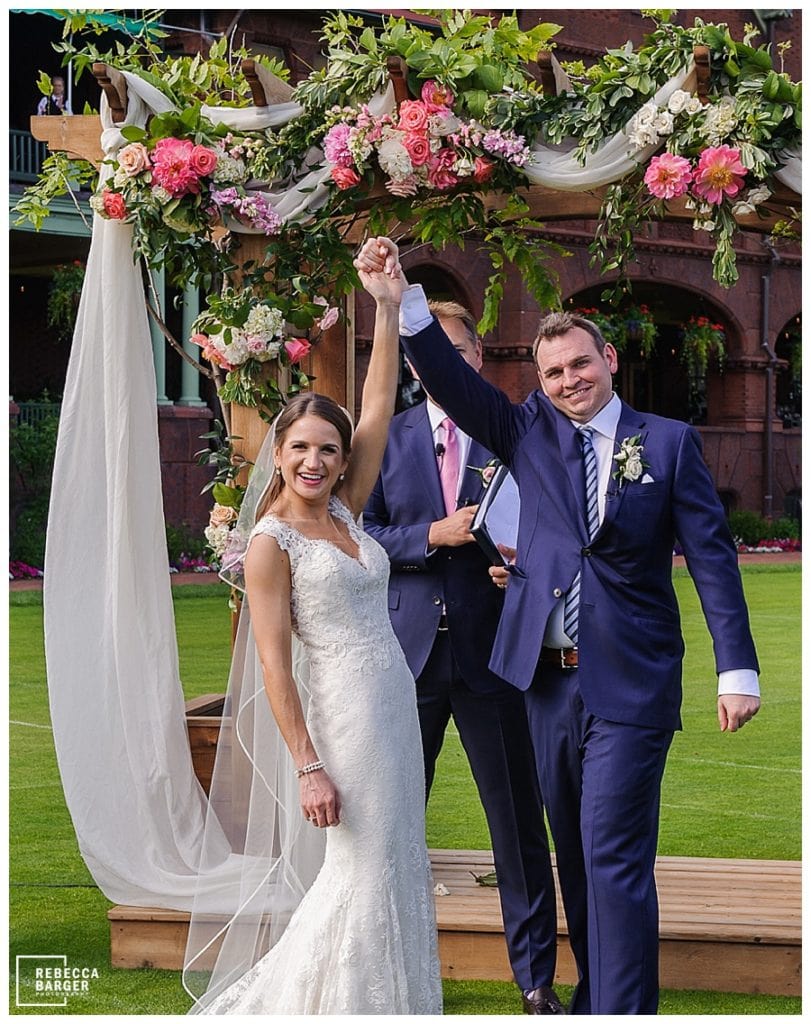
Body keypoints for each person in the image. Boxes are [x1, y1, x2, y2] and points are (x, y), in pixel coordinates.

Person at [355, 237, 760, 1015]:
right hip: (543, 683)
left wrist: (735, 670)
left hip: (630, 683)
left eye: (579, 364)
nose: (569, 380)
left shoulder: (668, 445)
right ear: (536, 383)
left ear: (606, 358)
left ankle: (620, 1010)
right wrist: (400, 300)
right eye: (552, 373)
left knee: (611, 853)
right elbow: (447, 377)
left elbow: (712, 561)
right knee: (572, 854)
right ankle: (592, 995)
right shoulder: (527, 432)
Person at [183, 251, 442, 1014]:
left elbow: (375, 403)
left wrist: (387, 310)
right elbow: (273, 666)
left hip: (393, 700)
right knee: (360, 867)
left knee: (396, 858)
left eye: (327, 449)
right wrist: (307, 766)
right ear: (280, 453)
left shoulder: (345, 513)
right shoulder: (271, 543)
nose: (316, 459)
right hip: (342, 721)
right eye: (300, 447)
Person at [363, 298, 563, 1014]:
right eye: (424, 356)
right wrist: (430, 536)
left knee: (514, 825)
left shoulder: (517, 434)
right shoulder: (384, 436)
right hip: (403, 658)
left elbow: (552, 524)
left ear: (473, 360)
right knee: (385, 822)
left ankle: (535, 981)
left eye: (450, 352)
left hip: (494, 657)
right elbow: (358, 535)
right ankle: (376, 969)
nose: (435, 367)